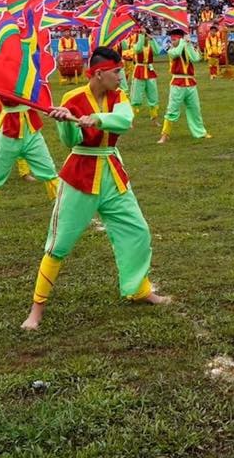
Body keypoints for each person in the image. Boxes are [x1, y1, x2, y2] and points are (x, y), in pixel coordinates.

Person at [22, 46, 169, 331]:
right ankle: (36, 310)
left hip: (112, 174)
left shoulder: (118, 96)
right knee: (59, 243)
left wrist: (98, 119)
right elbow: (69, 141)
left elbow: (125, 120)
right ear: (99, 73)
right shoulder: (72, 98)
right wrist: (66, 121)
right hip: (80, 174)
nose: (121, 76)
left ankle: (138, 289)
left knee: (137, 230)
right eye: (117, 72)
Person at [0, 93, 60, 230]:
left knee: (49, 171)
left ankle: (61, 211)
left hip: (31, 131)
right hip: (8, 133)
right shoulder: (3, 76)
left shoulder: (29, 73)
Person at [158, 27, 210, 143]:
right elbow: (176, 53)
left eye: (176, 40)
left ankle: (200, 132)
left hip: (191, 83)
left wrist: (189, 44)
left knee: (195, 109)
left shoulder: (185, 48)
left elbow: (196, 58)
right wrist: (182, 42)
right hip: (177, 83)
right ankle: (165, 134)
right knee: (172, 109)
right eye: (173, 40)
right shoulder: (171, 50)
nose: (173, 42)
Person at [124, 27, 161, 125]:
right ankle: (131, 120)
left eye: (145, 35)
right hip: (139, 71)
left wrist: (152, 39)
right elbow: (138, 49)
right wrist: (141, 35)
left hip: (150, 71)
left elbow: (158, 52)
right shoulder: (137, 44)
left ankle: (154, 119)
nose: (145, 38)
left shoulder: (150, 45)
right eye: (143, 36)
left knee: (153, 96)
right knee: (136, 97)